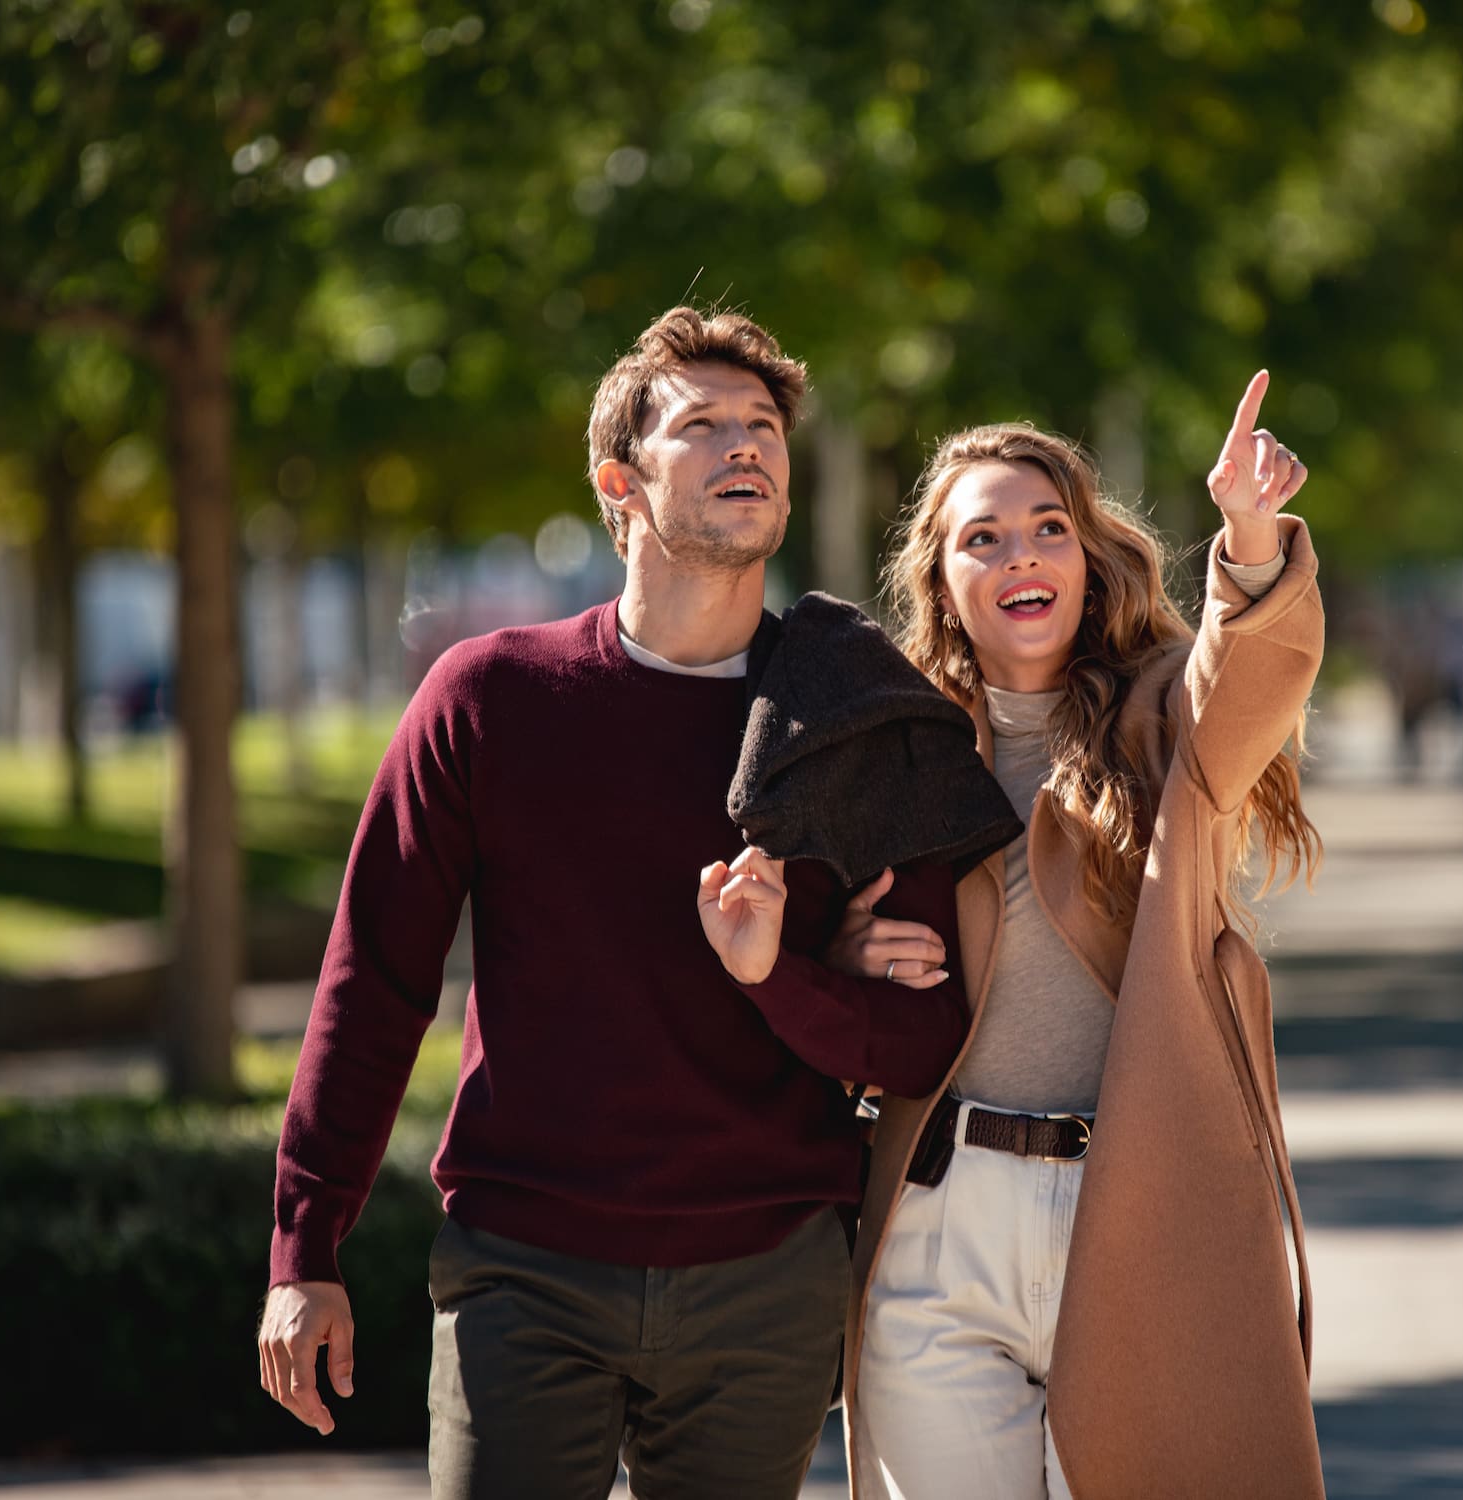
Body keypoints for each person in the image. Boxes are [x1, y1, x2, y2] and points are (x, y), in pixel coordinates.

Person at [257, 307, 979, 1500]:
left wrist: (785, 976)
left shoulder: (852, 721)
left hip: (768, 1276)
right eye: (701, 426)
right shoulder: (488, 700)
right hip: (524, 1271)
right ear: (618, 484)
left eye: (761, 427)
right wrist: (303, 1246)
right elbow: (371, 982)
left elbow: (919, 1042)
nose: (745, 445)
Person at [705, 373, 1327, 1498]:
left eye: (1048, 529)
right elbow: (855, 1001)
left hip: (1140, 1203)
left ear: (1088, 561)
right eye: (980, 539)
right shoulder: (892, 755)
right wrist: (841, 959)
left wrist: (1245, 537)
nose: (1020, 556)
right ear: (943, 586)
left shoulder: (1162, 724)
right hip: (943, 1223)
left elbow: (1250, 684)